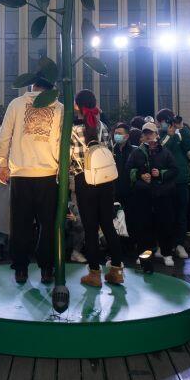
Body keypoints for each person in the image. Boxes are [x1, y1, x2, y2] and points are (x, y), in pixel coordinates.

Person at [0, 77, 62, 284]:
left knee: (20, 224)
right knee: (48, 225)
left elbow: (4, 136)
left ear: (32, 85)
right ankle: (47, 269)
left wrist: (2, 164)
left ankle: (21, 269)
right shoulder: (59, 107)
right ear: (51, 87)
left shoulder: (16, 104)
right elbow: (62, 141)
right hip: (49, 174)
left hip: (21, 173)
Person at [70, 90, 123, 287]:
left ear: (77, 106)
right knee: (108, 225)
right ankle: (116, 271)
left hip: (85, 181)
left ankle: (94, 274)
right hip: (106, 181)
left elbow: (69, 159)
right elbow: (109, 152)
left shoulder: (73, 129)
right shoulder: (103, 126)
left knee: (90, 229)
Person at [129, 122, 179, 267]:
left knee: (165, 224)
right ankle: (144, 255)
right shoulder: (136, 152)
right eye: (145, 133)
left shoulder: (165, 152)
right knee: (143, 226)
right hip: (143, 196)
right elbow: (128, 170)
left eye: (151, 133)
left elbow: (175, 170)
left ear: (157, 135)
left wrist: (161, 174)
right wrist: (140, 175)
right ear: (142, 136)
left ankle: (167, 253)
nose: (148, 136)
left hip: (163, 195)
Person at [155, 109, 190, 259]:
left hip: (182, 179)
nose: (163, 124)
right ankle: (165, 246)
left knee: (181, 214)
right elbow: (161, 151)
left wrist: (182, 128)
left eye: (164, 120)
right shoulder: (160, 135)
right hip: (166, 180)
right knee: (166, 215)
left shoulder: (182, 132)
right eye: (162, 121)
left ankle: (180, 244)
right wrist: (170, 136)